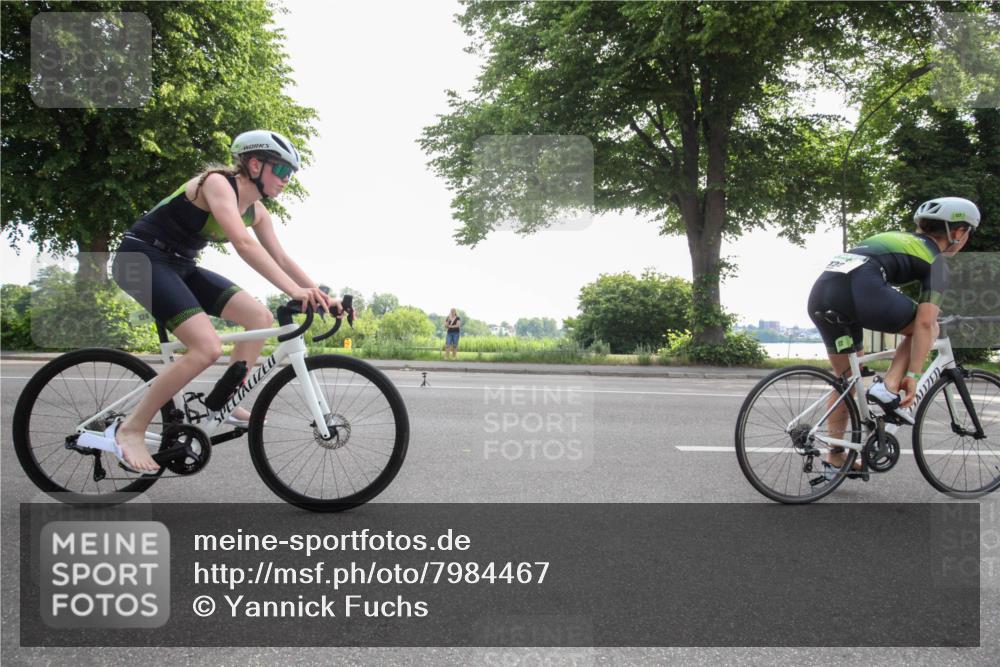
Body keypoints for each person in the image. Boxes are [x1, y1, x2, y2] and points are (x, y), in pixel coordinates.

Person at [108, 129, 340, 472]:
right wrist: (293, 291)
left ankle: (224, 401)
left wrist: (323, 296)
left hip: (180, 265)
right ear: (255, 164)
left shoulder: (258, 212)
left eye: (291, 173)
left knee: (259, 318)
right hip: (140, 260)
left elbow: (283, 259)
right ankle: (132, 429)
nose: (287, 180)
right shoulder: (218, 183)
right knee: (206, 348)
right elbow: (244, 246)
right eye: (281, 170)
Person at [807, 196, 980, 473]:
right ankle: (888, 388)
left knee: (847, 383)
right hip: (861, 289)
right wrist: (912, 375)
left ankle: (835, 457)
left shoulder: (897, 239)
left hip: (822, 292)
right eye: (968, 233)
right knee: (930, 325)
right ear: (958, 232)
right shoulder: (937, 260)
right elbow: (923, 324)